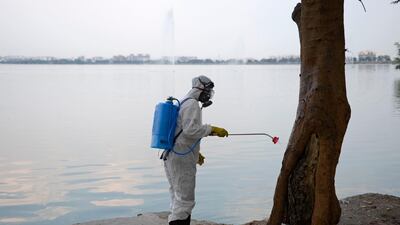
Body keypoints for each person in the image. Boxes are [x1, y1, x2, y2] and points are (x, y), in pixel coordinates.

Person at [162, 75, 228, 225]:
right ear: (201, 89)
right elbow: (190, 131)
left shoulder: (185, 101)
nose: (209, 94)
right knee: (185, 201)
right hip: (180, 158)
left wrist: (195, 153)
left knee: (177, 198)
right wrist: (212, 129)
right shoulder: (191, 104)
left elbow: (182, 132)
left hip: (173, 154)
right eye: (208, 90)